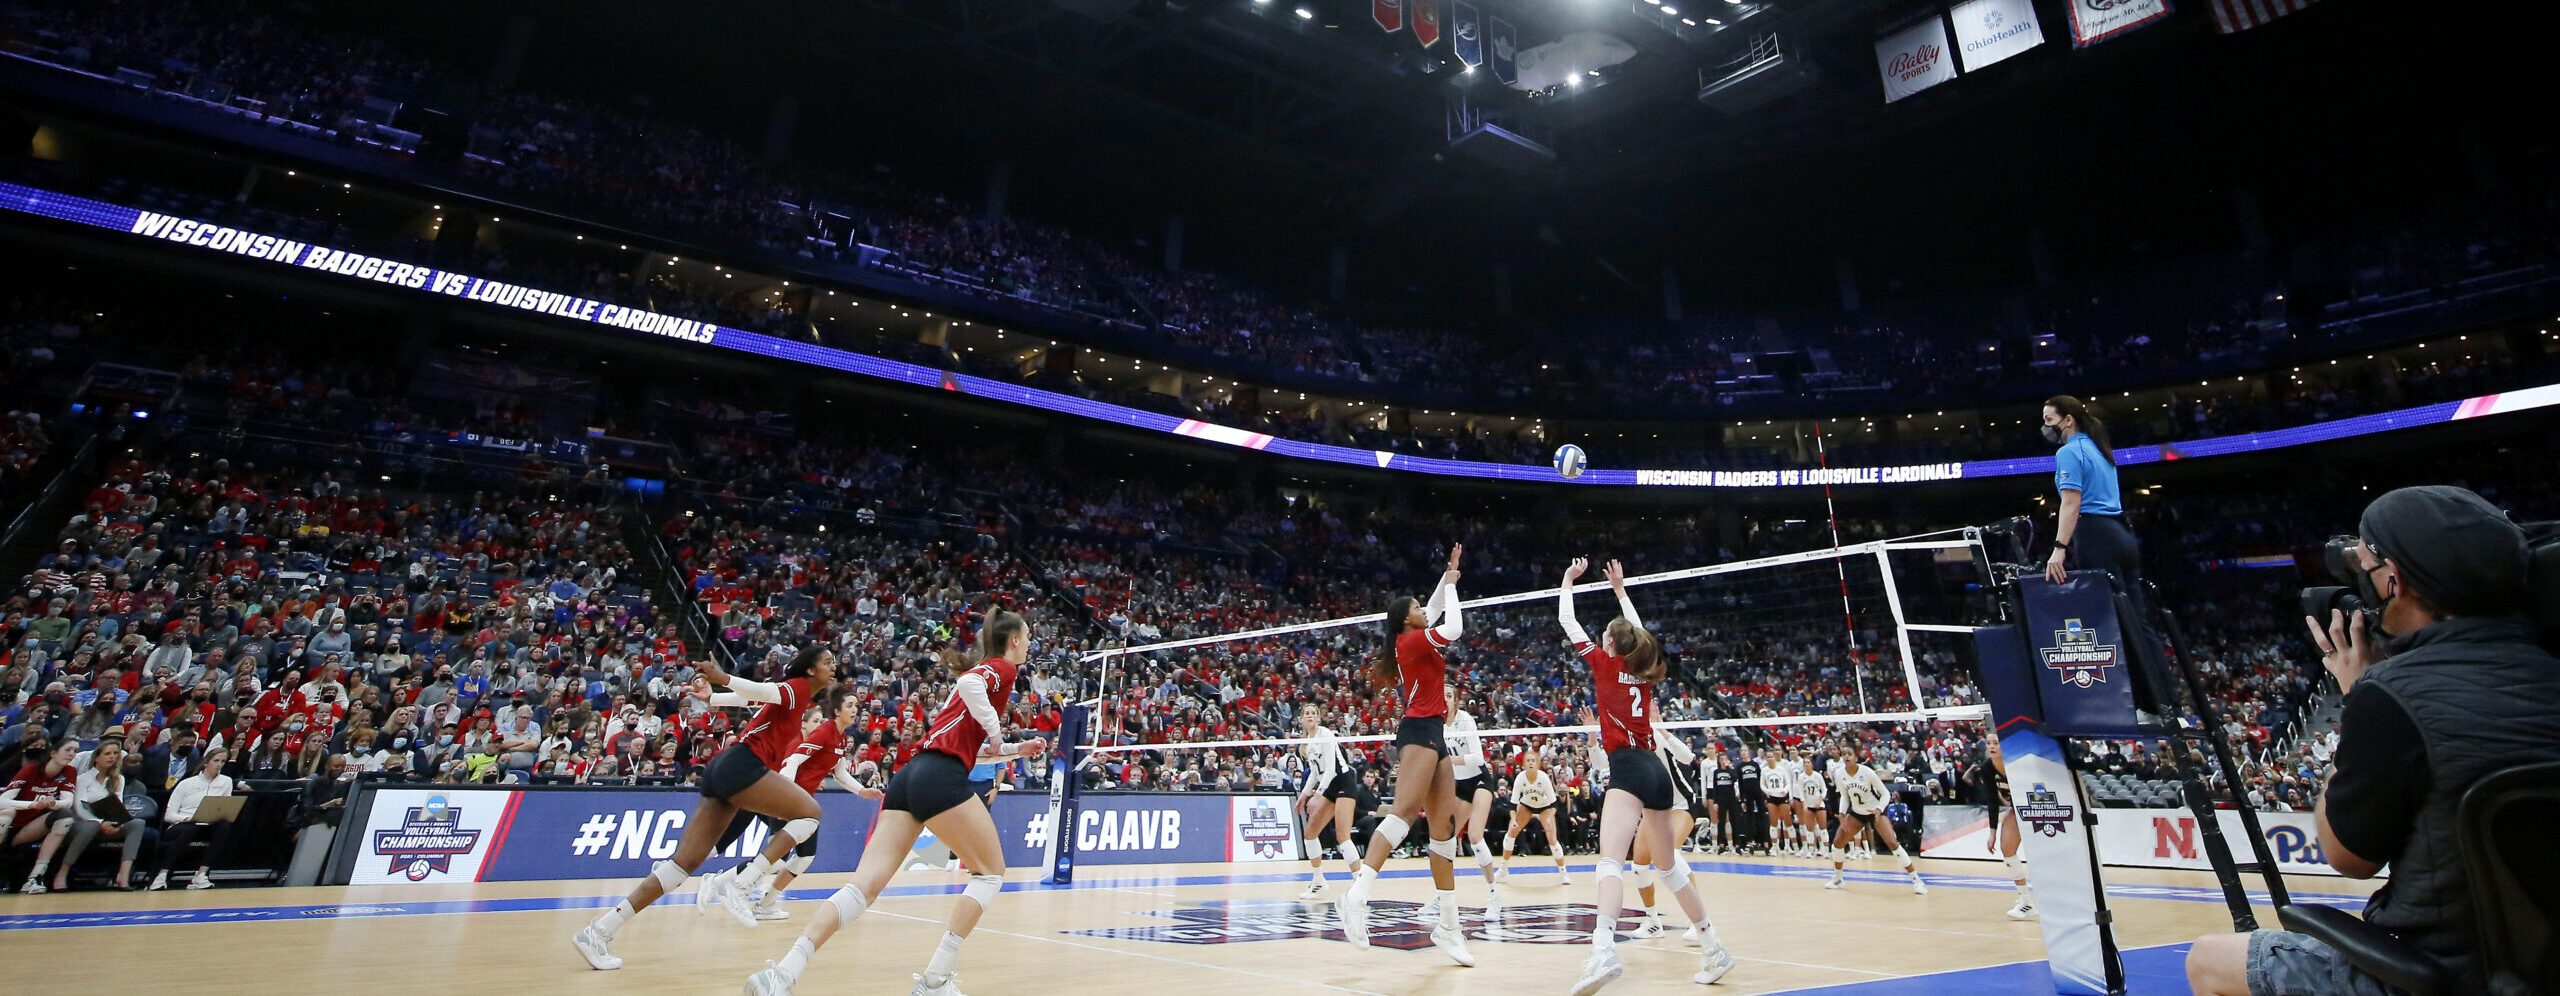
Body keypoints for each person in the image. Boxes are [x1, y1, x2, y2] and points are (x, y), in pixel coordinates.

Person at [2186, 486, 2560, 996]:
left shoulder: (2391, 695)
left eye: (2364, 566)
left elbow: (2348, 858)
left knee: (2210, 959)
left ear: (2394, 580)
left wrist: (2357, 693)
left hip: (2443, 975)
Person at [742, 611, 1049, 996]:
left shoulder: (987, 681)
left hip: (912, 775)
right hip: (939, 777)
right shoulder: (1001, 668)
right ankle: (935, 981)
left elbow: (968, 747)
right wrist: (995, 728)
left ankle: (782, 974)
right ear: (1015, 640)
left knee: (862, 888)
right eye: (1028, 636)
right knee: (990, 874)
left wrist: (1014, 748)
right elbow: (970, 684)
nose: (1030, 642)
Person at [573, 647, 837, 969]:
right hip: (743, 766)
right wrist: (725, 678)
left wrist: (714, 697)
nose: (834, 667)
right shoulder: (795, 689)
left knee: (680, 867)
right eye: (827, 662)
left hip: (724, 769)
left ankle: (599, 931)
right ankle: (741, 884)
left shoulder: (797, 699)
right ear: (810, 670)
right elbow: (763, 691)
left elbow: (751, 700)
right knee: (810, 813)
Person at [1558, 558, 1734, 995]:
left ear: (1612, 645)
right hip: (1657, 771)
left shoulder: (1603, 662)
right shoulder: (1642, 667)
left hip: (1630, 768)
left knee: (1609, 861)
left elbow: (1566, 618)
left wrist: (1567, 581)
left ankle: (1601, 951)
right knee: (1668, 866)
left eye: (1605, 638)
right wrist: (1619, 589)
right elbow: (1638, 631)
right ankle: (1713, 947)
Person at [1335, 545, 1474, 967]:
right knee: (1403, 811)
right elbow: (1454, 628)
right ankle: (1355, 896)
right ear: (1405, 618)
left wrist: (1446, 574)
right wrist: (1451, 587)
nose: (1422, 608)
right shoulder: (1412, 641)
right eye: (1415, 606)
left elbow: (1431, 607)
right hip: (1417, 731)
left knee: (1444, 827)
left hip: (1435, 731)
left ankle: (1448, 926)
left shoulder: (1412, 631)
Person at [706, 688, 885, 921]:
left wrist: (861, 790)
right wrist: (786, 795)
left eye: (856, 706)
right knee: (780, 858)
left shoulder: (840, 738)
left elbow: (840, 773)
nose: (855, 709)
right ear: (837, 711)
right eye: (850, 705)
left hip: (803, 805)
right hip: (792, 802)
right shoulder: (824, 732)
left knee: (803, 857)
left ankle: (762, 901)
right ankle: (727, 885)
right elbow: (792, 761)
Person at [2039, 395, 2138, 591]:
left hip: (2095, 536)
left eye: (2049, 420)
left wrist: (2059, 548)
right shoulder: (2100, 449)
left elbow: (2071, 503)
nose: (2045, 427)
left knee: (2107, 614)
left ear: (2068, 420)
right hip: (2124, 535)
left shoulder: (2068, 452)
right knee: (2134, 616)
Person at [1825, 749, 1925, 895]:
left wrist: (1879, 809)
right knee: (1838, 843)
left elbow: (1885, 794)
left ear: (1856, 757)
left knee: (1893, 844)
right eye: (1844, 754)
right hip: (1857, 812)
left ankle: (1917, 880)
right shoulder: (1840, 774)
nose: (1847, 756)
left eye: (1850, 754)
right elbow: (1845, 797)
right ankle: (1838, 879)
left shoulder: (1867, 772)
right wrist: (1841, 814)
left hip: (1875, 811)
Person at [56, 736, 143, 890]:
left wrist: (117, 822)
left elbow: (118, 804)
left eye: (115, 754)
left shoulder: (118, 779)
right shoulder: (82, 779)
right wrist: (100, 823)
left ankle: (123, 876)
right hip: (82, 825)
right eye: (108, 754)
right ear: (96, 757)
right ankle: (62, 873)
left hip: (108, 824)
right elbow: (79, 809)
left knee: (137, 824)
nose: (112, 757)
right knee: (91, 826)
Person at [1293, 704, 1360, 901]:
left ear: (1319, 719)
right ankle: (1319, 881)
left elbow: (1330, 769)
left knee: (1342, 836)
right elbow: (1315, 773)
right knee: (1310, 833)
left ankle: (1359, 883)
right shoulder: (1306, 743)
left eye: (1314, 713)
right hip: (1327, 785)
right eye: (1307, 713)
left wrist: (1317, 795)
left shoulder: (1326, 735)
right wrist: (1303, 795)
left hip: (1343, 780)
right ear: (1302, 719)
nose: (1310, 716)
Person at [1446, 692, 1503, 918]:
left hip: (1479, 779)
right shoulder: (1438, 725)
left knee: (1475, 836)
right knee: (1446, 839)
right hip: (1458, 784)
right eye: (1442, 696)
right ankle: (1443, 897)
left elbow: (1478, 758)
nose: (1445, 699)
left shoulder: (1465, 720)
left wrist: (1448, 760)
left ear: (1455, 700)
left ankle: (1494, 897)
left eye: (1449, 695)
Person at [151, 745, 239, 891]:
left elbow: (224, 806)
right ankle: (162, 875)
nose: (219, 765)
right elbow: (169, 815)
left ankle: (201, 874)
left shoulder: (226, 781)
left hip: (209, 824)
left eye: (223, 761)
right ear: (206, 762)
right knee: (189, 829)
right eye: (216, 760)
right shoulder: (187, 783)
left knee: (224, 825)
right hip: (183, 824)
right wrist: (187, 818)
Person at [4, 739, 81, 892]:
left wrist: (52, 803)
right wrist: (31, 804)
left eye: (75, 751)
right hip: (13, 825)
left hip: (34, 826)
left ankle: (35, 878)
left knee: (65, 816)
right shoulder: (31, 770)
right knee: (5, 815)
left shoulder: (69, 772)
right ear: (53, 753)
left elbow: (67, 802)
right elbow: (3, 801)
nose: (72, 754)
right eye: (68, 749)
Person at [1501, 751, 1567, 884]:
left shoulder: (1543, 778)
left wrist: (1549, 818)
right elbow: (1513, 805)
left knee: (1552, 839)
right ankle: (1503, 869)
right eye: (1528, 760)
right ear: (1524, 764)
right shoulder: (1520, 778)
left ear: (1537, 764)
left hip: (1544, 807)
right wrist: (1513, 821)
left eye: (1533, 760)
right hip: (1526, 805)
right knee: (1511, 833)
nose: (1530, 763)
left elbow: (1554, 804)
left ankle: (1563, 872)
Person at [1985, 736, 2034, 920]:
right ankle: (2026, 901)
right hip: (2017, 808)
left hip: (2037, 805)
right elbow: (1992, 800)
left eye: (1996, 743)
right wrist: (1992, 833)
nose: (1992, 747)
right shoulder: (1987, 768)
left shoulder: (2017, 763)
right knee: (2007, 850)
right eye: (1989, 744)